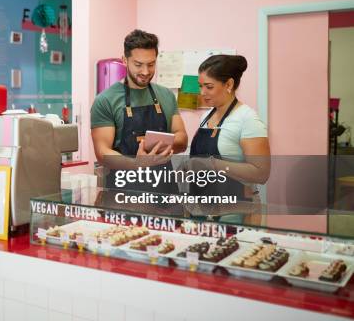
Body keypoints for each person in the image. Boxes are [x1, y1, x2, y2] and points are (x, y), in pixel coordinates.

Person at [91, 29, 188, 194]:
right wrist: (138, 163)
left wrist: (157, 149)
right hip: (124, 192)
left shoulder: (165, 95)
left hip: (164, 192)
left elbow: (182, 138)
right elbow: (102, 153)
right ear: (124, 60)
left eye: (151, 64)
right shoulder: (105, 100)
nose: (145, 71)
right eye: (138, 64)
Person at [187, 54, 270, 221]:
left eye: (209, 87)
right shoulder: (206, 116)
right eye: (200, 86)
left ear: (229, 84)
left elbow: (261, 173)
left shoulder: (247, 119)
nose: (202, 93)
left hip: (233, 214)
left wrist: (213, 164)